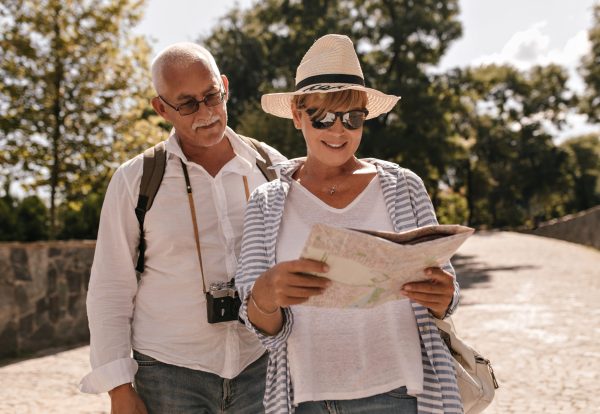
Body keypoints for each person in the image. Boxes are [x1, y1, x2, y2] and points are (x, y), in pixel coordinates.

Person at [235, 34, 463, 414]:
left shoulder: (404, 186)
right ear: (297, 115)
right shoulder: (266, 201)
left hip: (397, 393)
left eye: (352, 118)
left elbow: (447, 292)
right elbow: (257, 323)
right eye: (322, 117)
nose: (338, 131)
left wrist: (443, 297)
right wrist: (267, 292)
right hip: (303, 397)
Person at [79, 42, 285, 414]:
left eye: (211, 96)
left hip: (262, 366)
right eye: (187, 103)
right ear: (161, 108)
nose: (205, 112)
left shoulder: (273, 167)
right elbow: (110, 288)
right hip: (168, 374)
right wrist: (119, 389)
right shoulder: (134, 180)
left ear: (225, 86)